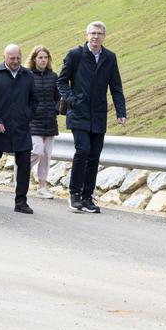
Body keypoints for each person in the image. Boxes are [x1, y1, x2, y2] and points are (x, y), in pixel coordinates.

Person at [57, 21, 127, 214]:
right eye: (93, 33)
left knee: (94, 156)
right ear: (87, 35)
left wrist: (121, 112)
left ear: (104, 36)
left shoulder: (109, 57)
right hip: (78, 113)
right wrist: (72, 100)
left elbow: (116, 87)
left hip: (98, 114)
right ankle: (74, 195)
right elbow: (61, 81)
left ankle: (88, 197)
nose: (96, 37)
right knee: (83, 150)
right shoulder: (75, 54)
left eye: (99, 34)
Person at [0, 44, 38, 214]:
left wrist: (27, 115)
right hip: (0, 127)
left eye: (18, 58)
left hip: (21, 127)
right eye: (12, 58)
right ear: (4, 57)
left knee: (24, 165)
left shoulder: (27, 75)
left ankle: (21, 201)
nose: (15, 61)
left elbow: (34, 100)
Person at [27, 45, 60, 199]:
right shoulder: (27, 76)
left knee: (46, 155)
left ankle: (42, 187)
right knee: (37, 150)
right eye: (40, 57)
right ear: (34, 59)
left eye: (45, 58)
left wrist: (56, 109)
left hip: (50, 121)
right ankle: (21, 170)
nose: (43, 60)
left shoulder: (54, 76)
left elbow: (58, 98)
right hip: (33, 121)